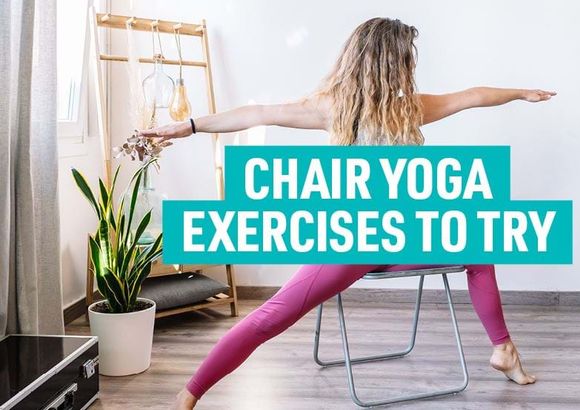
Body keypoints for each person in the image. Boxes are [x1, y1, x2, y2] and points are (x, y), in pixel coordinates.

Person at [140, 17, 555, 410]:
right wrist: (189, 125)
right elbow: (256, 113)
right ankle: (189, 394)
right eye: (406, 57)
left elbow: (474, 96)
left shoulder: (408, 108)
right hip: (352, 241)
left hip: (405, 235)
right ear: (388, 62)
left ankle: (504, 350)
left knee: (481, 248)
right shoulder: (333, 108)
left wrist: (520, 92)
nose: (411, 65)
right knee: (273, 316)